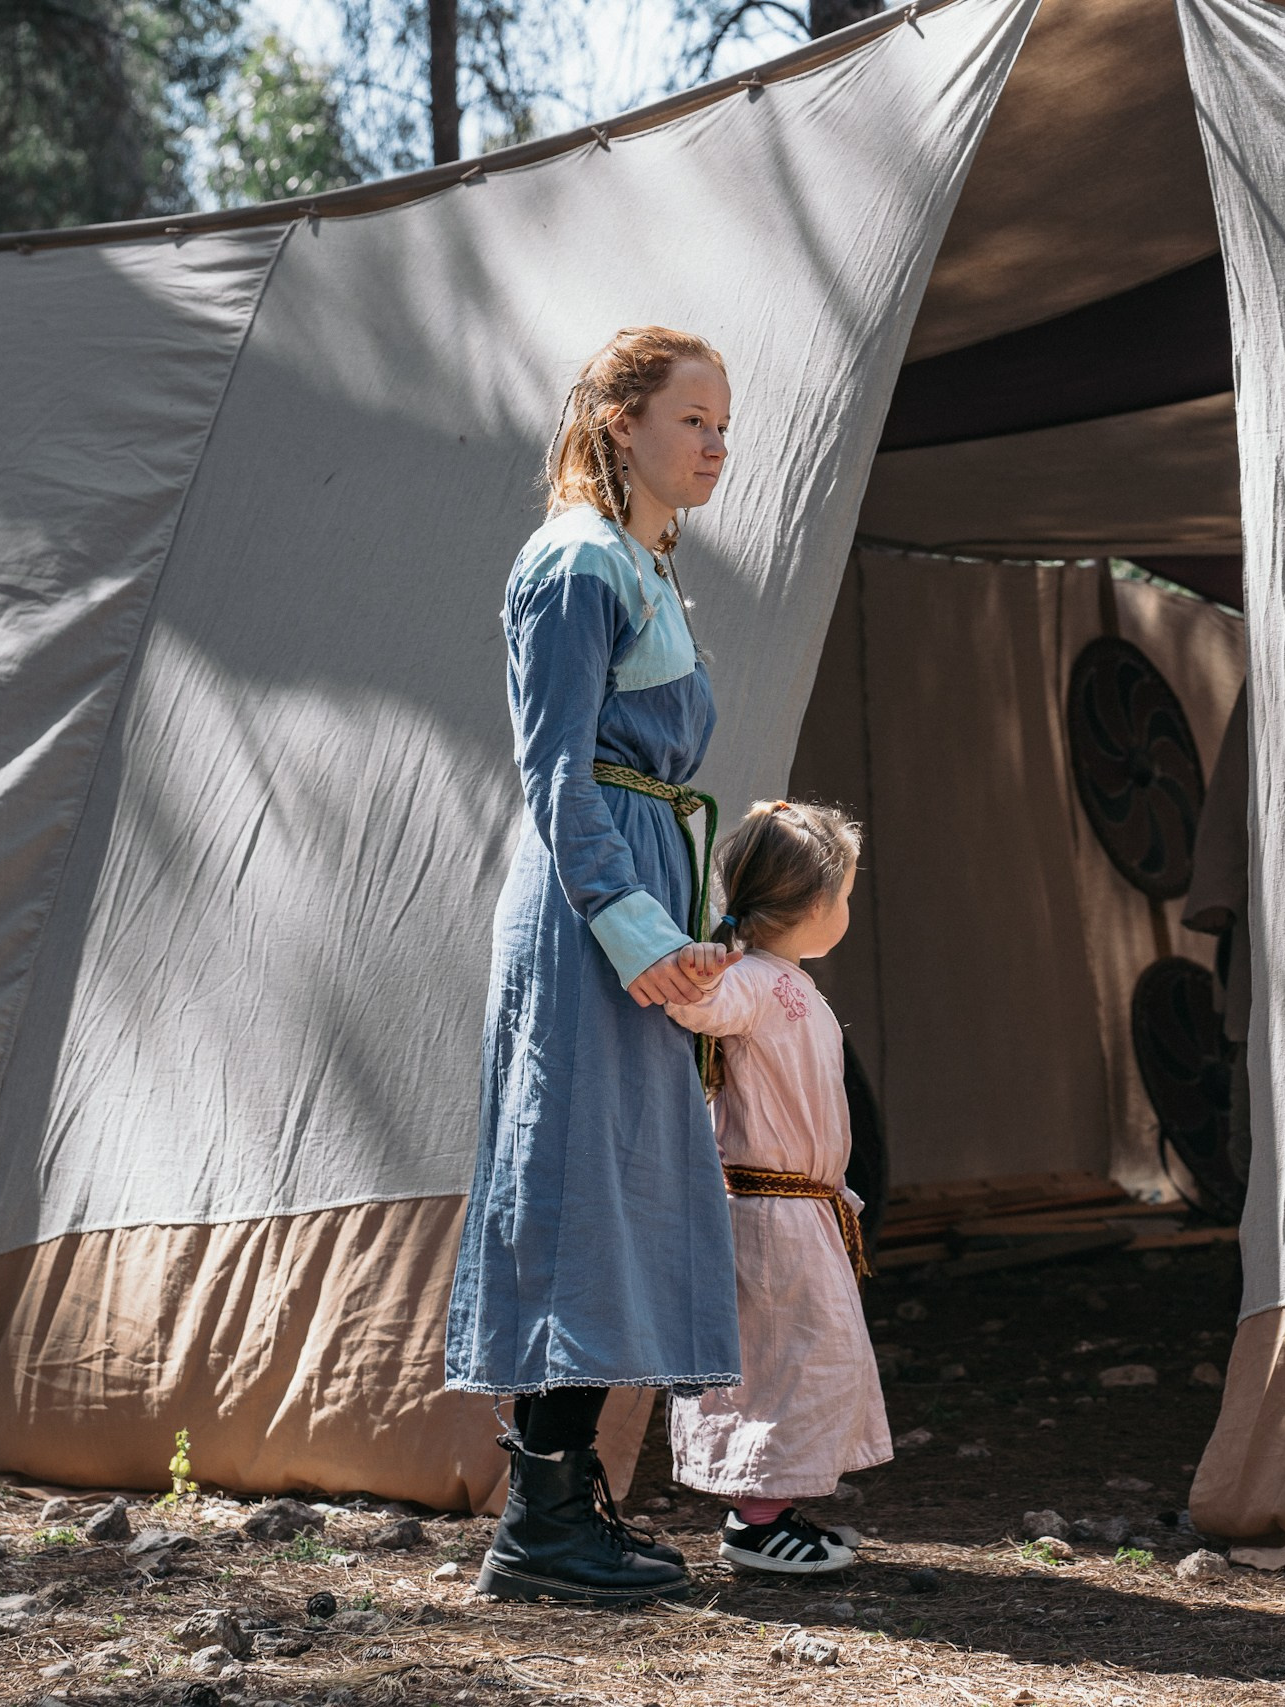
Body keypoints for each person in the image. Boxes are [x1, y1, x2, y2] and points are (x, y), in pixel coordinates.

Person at [445, 327, 748, 1604]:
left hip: (633, 897)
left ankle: (564, 1508)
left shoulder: (640, 561)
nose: (717, 445)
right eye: (694, 420)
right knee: (571, 1190)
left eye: (725, 425)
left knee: (611, 1192)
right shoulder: (573, 561)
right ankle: (539, 1527)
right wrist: (634, 931)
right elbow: (555, 770)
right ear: (623, 422)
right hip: (590, 917)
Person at [659, 801, 891, 1575]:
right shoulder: (753, 981)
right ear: (819, 905)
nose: (848, 909)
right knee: (776, 1361)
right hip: (766, 1212)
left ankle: (773, 1503)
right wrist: (699, 964)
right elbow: (698, 1003)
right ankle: (753, 1520)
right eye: (848, 894)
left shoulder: (786, 981)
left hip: (802, 1209)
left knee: (807, 1358)